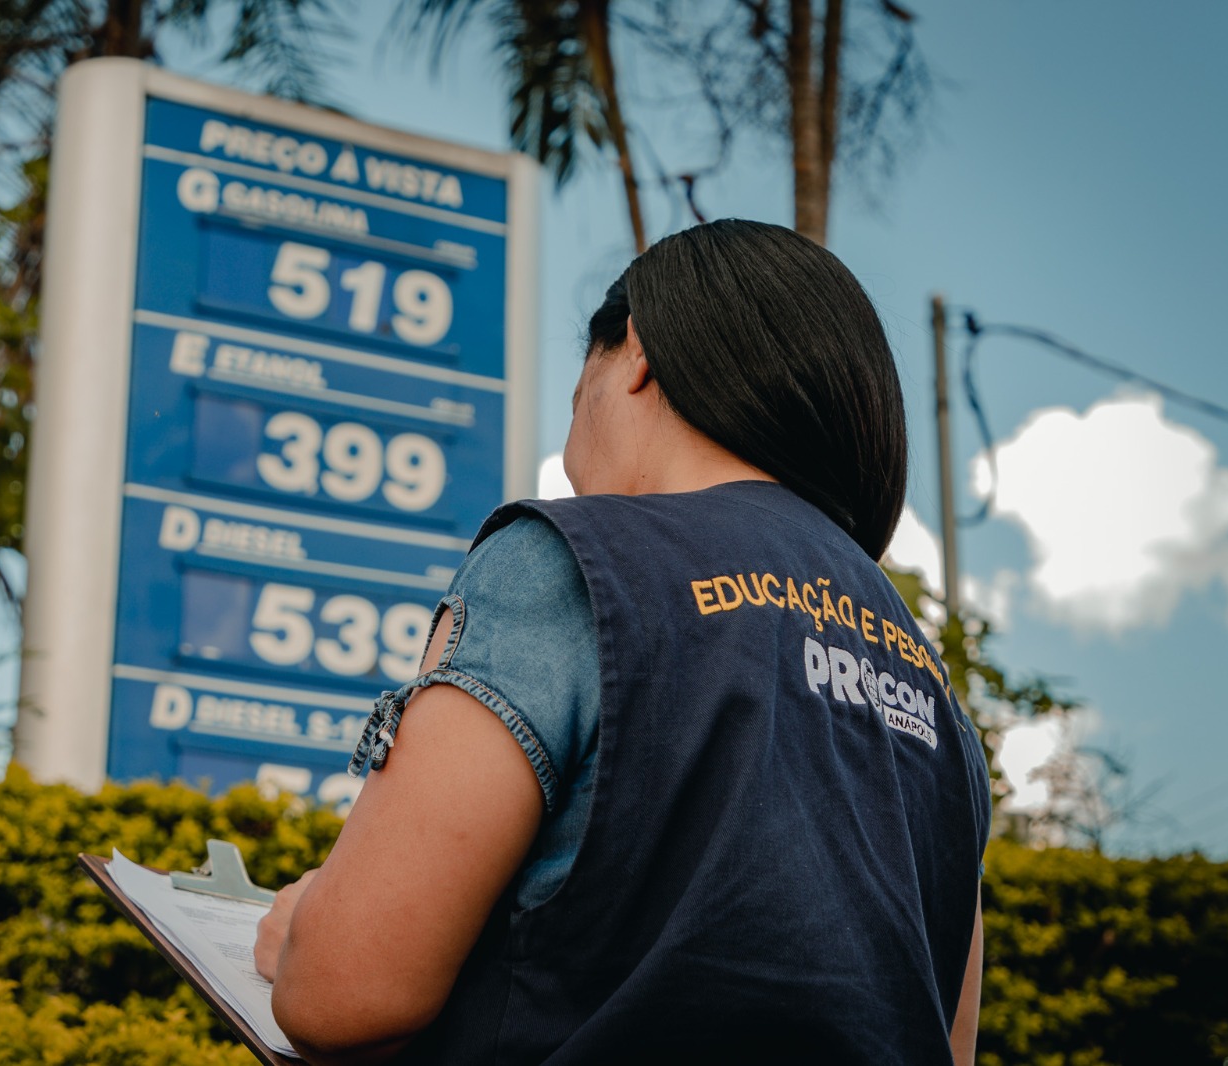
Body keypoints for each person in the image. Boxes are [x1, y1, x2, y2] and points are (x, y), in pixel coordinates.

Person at [253, 219, 991, 1065]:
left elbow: (346, 996)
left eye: (576, 401)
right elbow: (949, 1047)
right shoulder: (933, 692)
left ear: (636, 348)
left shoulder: (566, 563)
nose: (573, 470)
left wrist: (301, 938)